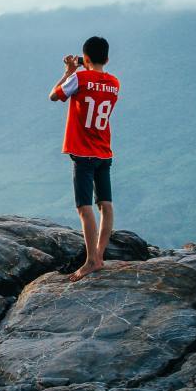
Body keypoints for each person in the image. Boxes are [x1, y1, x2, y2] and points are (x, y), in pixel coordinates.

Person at [49, 36, 120, 282]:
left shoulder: (79, 78)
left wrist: (69, 71)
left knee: (84, 207)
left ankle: (91, 261)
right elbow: (97, 80)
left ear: (85, 58)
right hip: (104, 151)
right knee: (106, 205)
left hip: (83, 153)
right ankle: (100, 255)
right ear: (107, 59)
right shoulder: (114, 83)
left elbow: (54, 96)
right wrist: (85, 65)